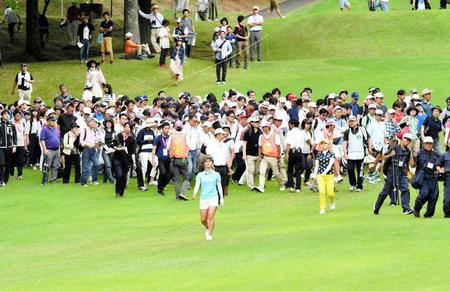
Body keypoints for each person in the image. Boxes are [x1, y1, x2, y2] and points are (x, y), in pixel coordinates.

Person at [373, 134, 415, 215]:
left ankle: (406, 209)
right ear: (402, 139)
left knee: (405, 189)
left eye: (409, 141)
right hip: (392, 172)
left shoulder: (408, 151)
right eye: (407, 139)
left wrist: (411, 156)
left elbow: (411, 165)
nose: (408, 142)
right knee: (386, 191)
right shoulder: (394, 148)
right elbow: (383, 157)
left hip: (402, 173)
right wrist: (390, 155)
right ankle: (377, 206)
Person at [192, 156, 224, 241]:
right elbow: (197, 185)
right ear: (203, 164)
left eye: (210, 161)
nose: (208, 163)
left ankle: (209, 233)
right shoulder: (200, 175)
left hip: (213, 197)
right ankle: (207, 227)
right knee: (203, 220)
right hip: (204, 198)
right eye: (206, 162)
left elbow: (219, 187)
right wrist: (194, 193)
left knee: (210, 216)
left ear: (212, 163)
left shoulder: (216, 174)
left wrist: (221, 198)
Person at [413, 136, 440, 218]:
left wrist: (439, 169)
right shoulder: (419, 154)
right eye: (427, 143)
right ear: (423, 144)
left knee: (434, 195)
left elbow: (440, 165)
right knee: (424, 194)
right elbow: (413, 165)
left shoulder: (436, 155)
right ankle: (416, 209)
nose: (428, 145)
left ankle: (428, 215)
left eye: (430, 143)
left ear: (432, 144)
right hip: (423, 178)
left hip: (433, 178)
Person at [343, 115, 371, 192]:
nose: (351, 123)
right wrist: (345, 153)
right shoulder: (347, 131)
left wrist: (370, 148)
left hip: (360, 153)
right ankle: (352, 184)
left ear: (356, 121)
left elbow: (369, 139)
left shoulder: (362, 130)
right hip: (351, 154)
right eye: (350, 121)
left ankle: (359, 186)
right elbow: (345, 143)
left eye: (353, 121)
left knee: (360, 171)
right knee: (350, 169)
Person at [256, 121, 285, 193]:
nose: (264, 129)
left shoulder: (275, 135)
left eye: (265, 127)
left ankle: (282, 184)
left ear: (269, 127)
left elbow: (278, 146)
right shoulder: (261, 136)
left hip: (273, 157)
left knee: (276, 173)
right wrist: (259, 156)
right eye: (263, 127)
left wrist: (278, 157)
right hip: (264, 157)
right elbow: (260, 147)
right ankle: (261, 187)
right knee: (262, 172)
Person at [112, 122, 137, 197]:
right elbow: (112, 144)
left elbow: (133, 152)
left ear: (131, 129)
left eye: (129, 127)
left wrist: (134, 162)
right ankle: (117, 191)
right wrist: (119, 148)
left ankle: (121, 192)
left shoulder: (132, 139)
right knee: (119, 175)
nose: (127, 128)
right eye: (126, 127)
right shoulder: (119, 135)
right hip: (117, 158)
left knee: (124, 176)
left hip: (127, 160)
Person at [313, 139, 336, 215]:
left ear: (328, 145)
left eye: (325, 143)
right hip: (320, 176)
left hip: (329, 176)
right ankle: (322, 208)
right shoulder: (319, 154)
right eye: (322, 144)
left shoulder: (331, 154)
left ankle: (332, 202)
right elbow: (317, 165)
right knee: (322, 192)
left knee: (330, 193)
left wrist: (325, 172)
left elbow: (330, 164)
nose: (323, 145)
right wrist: (315, 175)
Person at [169, 120, 190, 201]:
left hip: (174, 159)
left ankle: (177, 197)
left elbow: (168, 146)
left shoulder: (172, 135)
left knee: (177, 179)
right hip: (183, 159)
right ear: (182, 127)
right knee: (186, 178)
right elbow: (189, 145)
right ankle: (182, 193)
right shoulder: (185, 135)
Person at [79, 117, 100, 186]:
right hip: (86, 149)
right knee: (85, 167)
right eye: (92, 122)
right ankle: (83, 182)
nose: (94, 123)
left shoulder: (94, 130)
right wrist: (87, 145)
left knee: (97, 164)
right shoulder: (84, 130)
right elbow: (81, 142)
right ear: (88, 123)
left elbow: (95, 140)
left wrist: (97, 144)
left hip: (93, 149)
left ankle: (94, 180)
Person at [152, 122, 172, 196]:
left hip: (168, 158)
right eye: (166, 128)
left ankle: (162, 186)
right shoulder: (158, 138)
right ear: (162, 129)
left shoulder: (170, 137)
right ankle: (159, 189)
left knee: (169, 174)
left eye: (168, 128)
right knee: (163, 172)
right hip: (160, 158)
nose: (167, 130)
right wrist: (153, 159)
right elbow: (154, 149)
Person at [39, 115, 60, 185]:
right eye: (52, 120)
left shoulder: (55, 129)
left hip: (57, 149)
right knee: (47, 166)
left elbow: (57, 138)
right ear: (48, 121)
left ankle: (53, 180)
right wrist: (44, 149)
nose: (54, 122)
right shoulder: (44, 129)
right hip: (49, 149)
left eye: (54, 121)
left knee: (56, 166)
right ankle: (44, 181)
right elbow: (42, 140)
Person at [243, 116, 262, 190]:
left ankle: (253, 183)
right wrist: (244, 154)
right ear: (252, 123)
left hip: (258, 154)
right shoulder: (247, 132)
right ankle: (251, 185)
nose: (257, 123)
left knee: (256, 170)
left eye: (258, 122)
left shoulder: (260, 132)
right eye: (255, 122)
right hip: (249, 154)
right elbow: (244, 144)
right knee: (251, 170)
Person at [0, 110, 17, 186]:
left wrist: (14, 145)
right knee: (1, 163)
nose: (7, 116)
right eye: (5, 114)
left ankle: (5, 180)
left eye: (8, 114)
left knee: (7, 164)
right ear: (2, 115)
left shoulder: (11, 125)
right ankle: (1, 179)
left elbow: (14, 136)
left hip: (9, 147)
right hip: (1, 147)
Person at [11, 110, 26, 180]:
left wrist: (25, 144)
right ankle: (11, 173)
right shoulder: (11, 123)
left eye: (19, 116)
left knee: (21, 159)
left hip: (21, 143)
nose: (18, 117)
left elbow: (24, 133)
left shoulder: (22, 123)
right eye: (17, 116)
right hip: (12, 143)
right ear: (14, 116)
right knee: (12, 159)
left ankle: (20, 174)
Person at [437, 140, 450, 218]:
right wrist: (440, 170)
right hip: (448, 177)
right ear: (448, 144)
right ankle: (447, 214)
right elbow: (438, 165)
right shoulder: (444, 155)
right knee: (447, 198)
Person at [101, 119, 115, 184]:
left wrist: (112, 149)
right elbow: (101, 142)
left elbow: (115, 141)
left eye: (109, 123)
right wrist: (107, 149)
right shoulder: (103, 131)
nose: (108, 124)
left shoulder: (114, 132)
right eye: (107, 123)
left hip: (112, 150)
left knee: (108, 166)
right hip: (105, 151)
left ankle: (104, 180)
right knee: (108, 165)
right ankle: (111, 180)